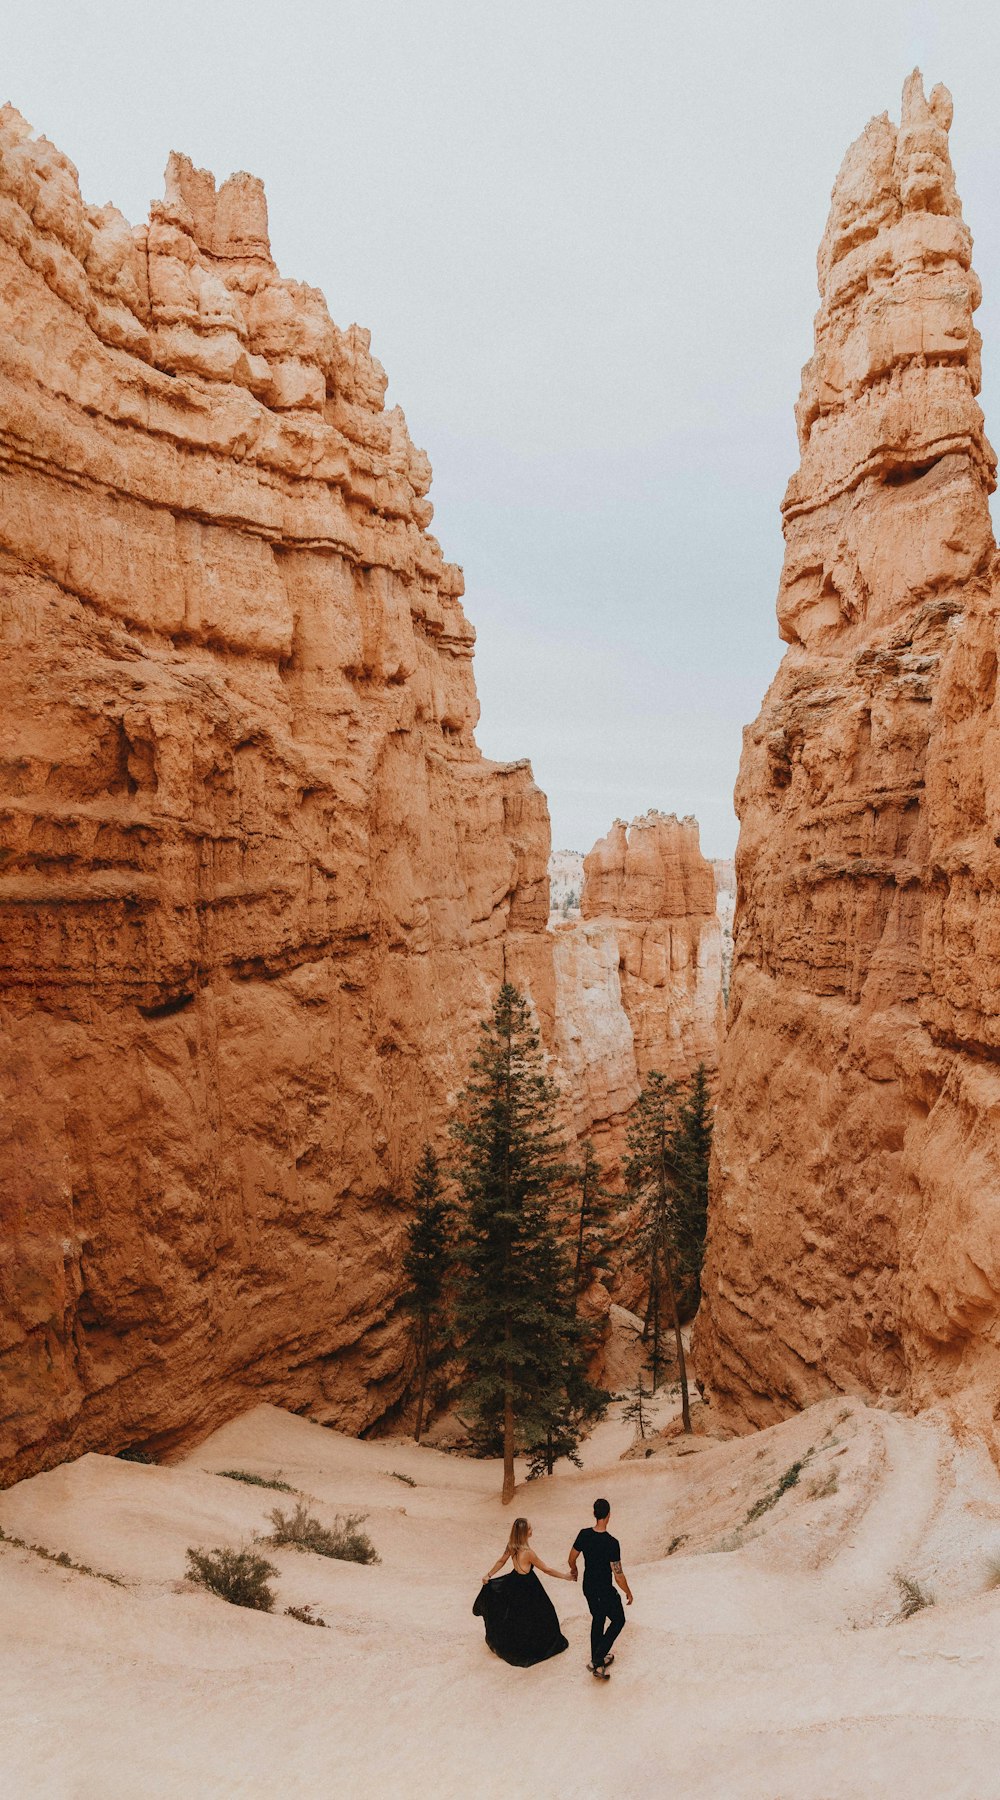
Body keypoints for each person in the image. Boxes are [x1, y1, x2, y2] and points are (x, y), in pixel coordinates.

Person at [473, 1517, 574, 1666]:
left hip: (514, 1582)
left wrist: (489, 1575)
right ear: (524, 1533)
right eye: (530, 1528)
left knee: (517, 1617)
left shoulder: (512, 1546)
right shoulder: (528, 1553)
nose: (532, 1530)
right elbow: (546, 1569)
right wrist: (565, 1576)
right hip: (528, 1587)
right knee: (543, 1614)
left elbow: (501, 1561)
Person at [569, 1497, 633, 1679]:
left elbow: (571, 1558)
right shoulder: (612, 1543)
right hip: (604, 1589)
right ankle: (597, 1659)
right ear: (609, 1515)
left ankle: (597, 1662)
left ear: (594, 1514)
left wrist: (574, 1571)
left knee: (598, 1618)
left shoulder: (583, 1534)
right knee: (619, 1620)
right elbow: (618, 1574)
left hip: (588, 1586)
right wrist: (627, 1591)